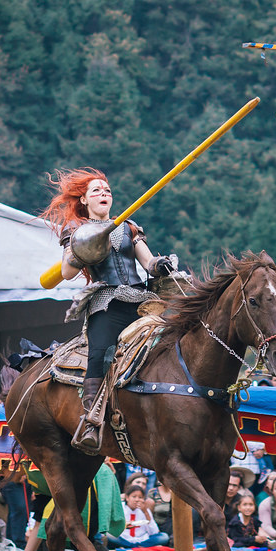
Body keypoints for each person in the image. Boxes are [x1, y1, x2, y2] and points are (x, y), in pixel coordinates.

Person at [47, 168, 175, 454]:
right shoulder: (77, 231)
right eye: (96, 190)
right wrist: (81, 248)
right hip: (107, 301)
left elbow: (148, 261)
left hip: (142, 300)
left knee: (172, 343)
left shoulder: (128, 226)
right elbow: (67, 272)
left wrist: (161, 264)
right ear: (84, 200)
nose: (104, 193)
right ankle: (91, 419)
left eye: (107, 190)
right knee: (101, 353)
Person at [107, 484, 169, 549]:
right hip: (124, 539)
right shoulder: (120, 508)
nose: (137, 500)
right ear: (127, 498)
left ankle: (133, 547)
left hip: (142, 540)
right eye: (134, 497)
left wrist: (145, 513)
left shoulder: (145, 510)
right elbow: (113, 527)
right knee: (109, 534)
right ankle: (137, 547)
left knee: (164, 537)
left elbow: (154, 532)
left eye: (140, 497)